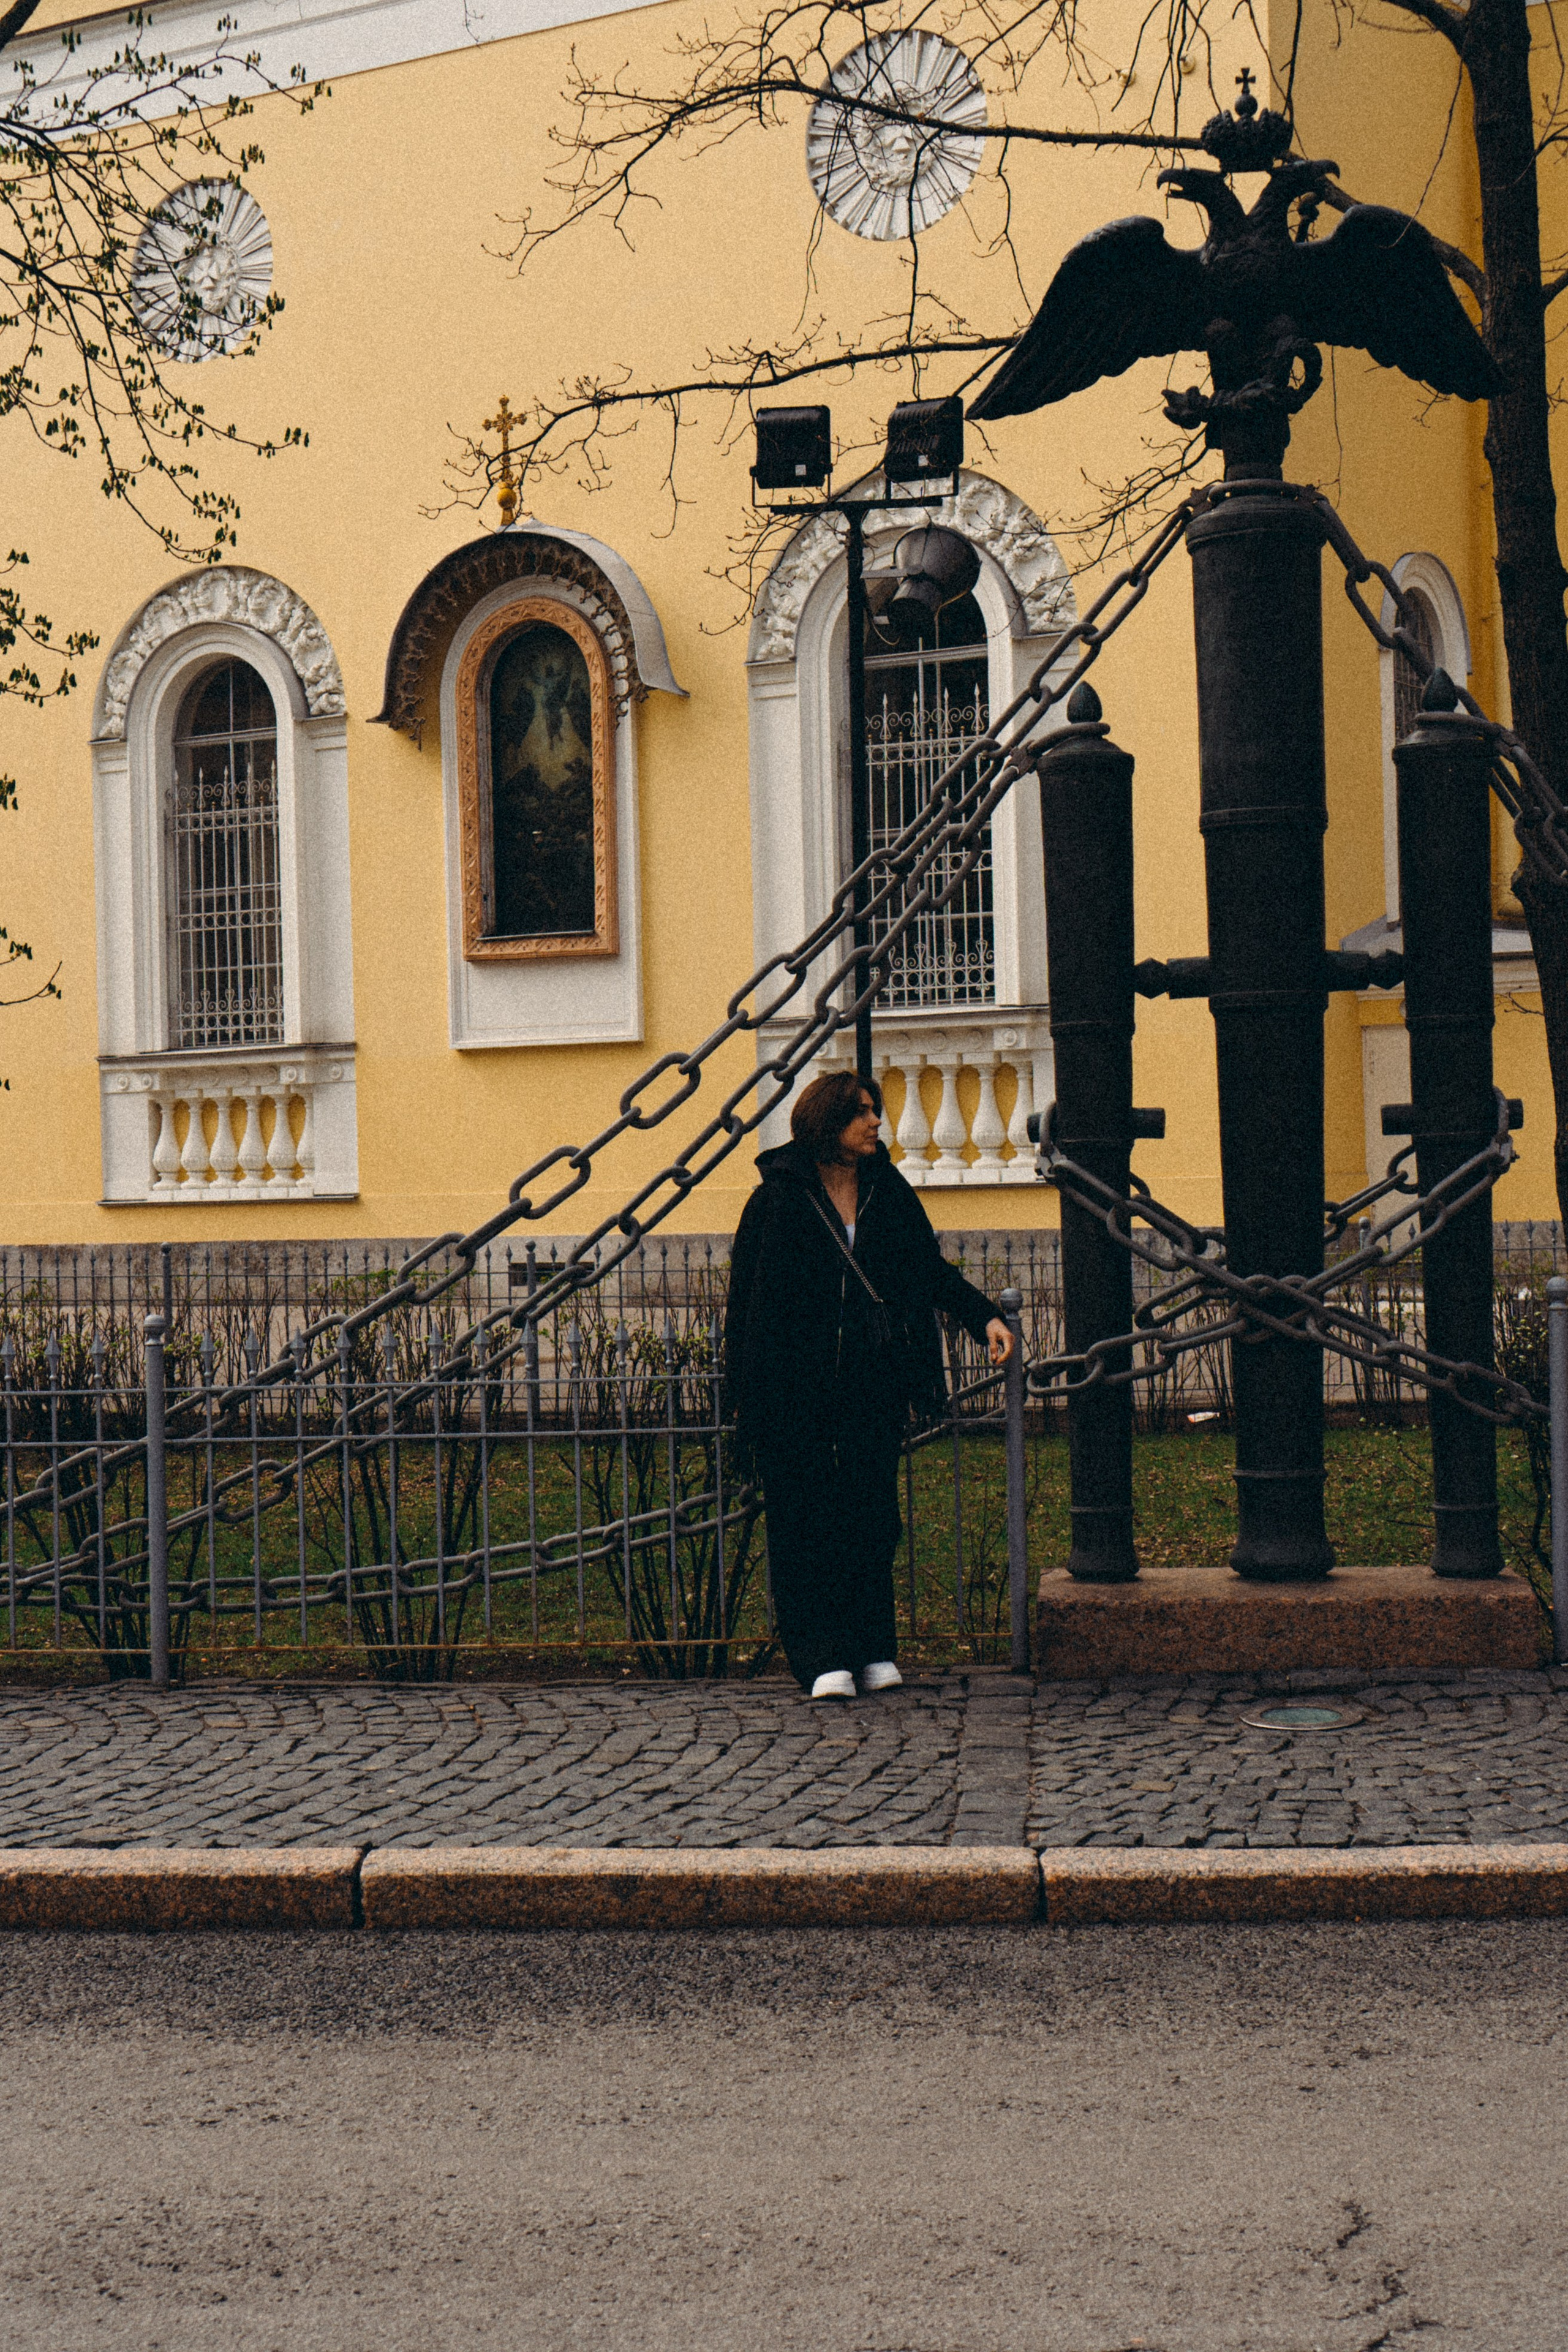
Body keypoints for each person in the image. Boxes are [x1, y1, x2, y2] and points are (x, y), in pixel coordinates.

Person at [725, 1069, 1014, 1699]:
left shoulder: (886, 1189)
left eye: (874, 1110)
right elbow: (747, 1304)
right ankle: (820, 1656)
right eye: (861, 1112)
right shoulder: (779, 1199)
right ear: (828, 1122)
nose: (875, 1122)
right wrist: (745, 1397)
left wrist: (984, 1316)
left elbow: (927, 1269)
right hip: (794, 1388)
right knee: (803, 1518)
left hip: (870, 1381)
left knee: (871, 1515)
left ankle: (872, 1647)